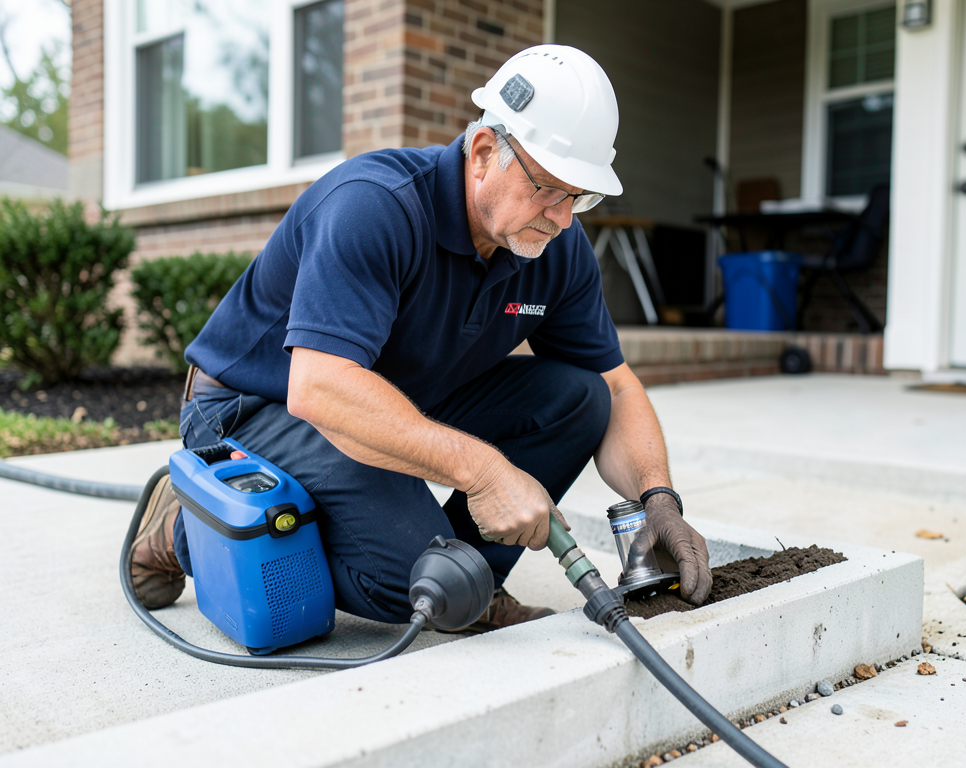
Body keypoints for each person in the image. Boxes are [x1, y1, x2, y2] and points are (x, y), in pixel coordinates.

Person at [130, 44, 712, 634]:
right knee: (402, 585)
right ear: (485, 153)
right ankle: (185, 526)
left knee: (579, 399)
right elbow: (320, 388)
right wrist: (484, 472)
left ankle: (471, 585)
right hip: (253, 405)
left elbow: (613, 387)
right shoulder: (374, 206)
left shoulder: (555, 245)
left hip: (389, 394)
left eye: (579, 197)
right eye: (548, 190)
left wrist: (658, 498)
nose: (563, 218)